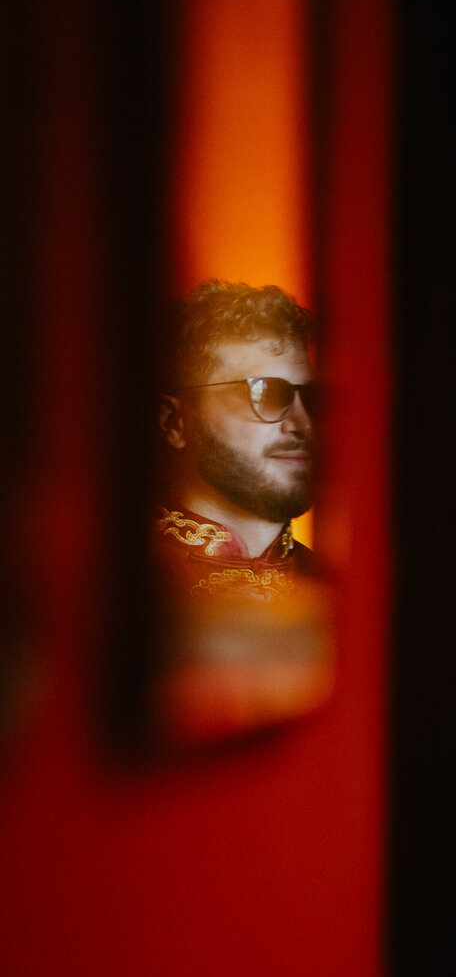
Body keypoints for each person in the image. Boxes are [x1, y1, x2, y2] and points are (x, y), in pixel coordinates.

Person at [153, 281, 330, 741]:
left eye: (311, 398)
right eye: (267, 393)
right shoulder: (118, 588)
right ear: (174, 421)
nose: (303, 425)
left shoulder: (342, 589)